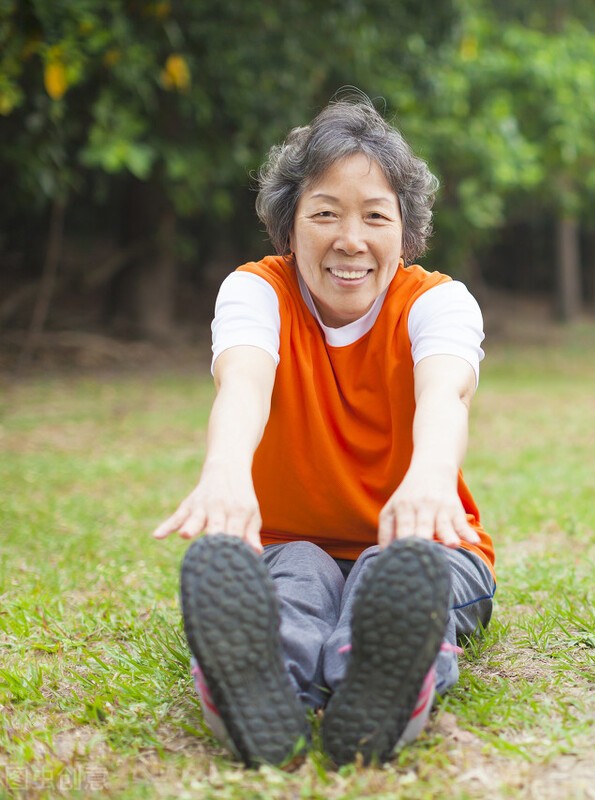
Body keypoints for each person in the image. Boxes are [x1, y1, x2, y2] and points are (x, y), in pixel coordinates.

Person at [152, 90, 496, 768]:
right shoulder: (256, 291)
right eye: (325, 214)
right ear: (289, 227)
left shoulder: (439, 302)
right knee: (298, 579)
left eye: (375, 216)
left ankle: (389, 678)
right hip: (290, 540)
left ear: (406, 231)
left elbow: (446, 394)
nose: (350, 239)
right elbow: (244, 381)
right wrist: (224, 471)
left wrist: (429, 477)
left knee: (391, 573)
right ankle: (255, 689)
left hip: (425, 544)